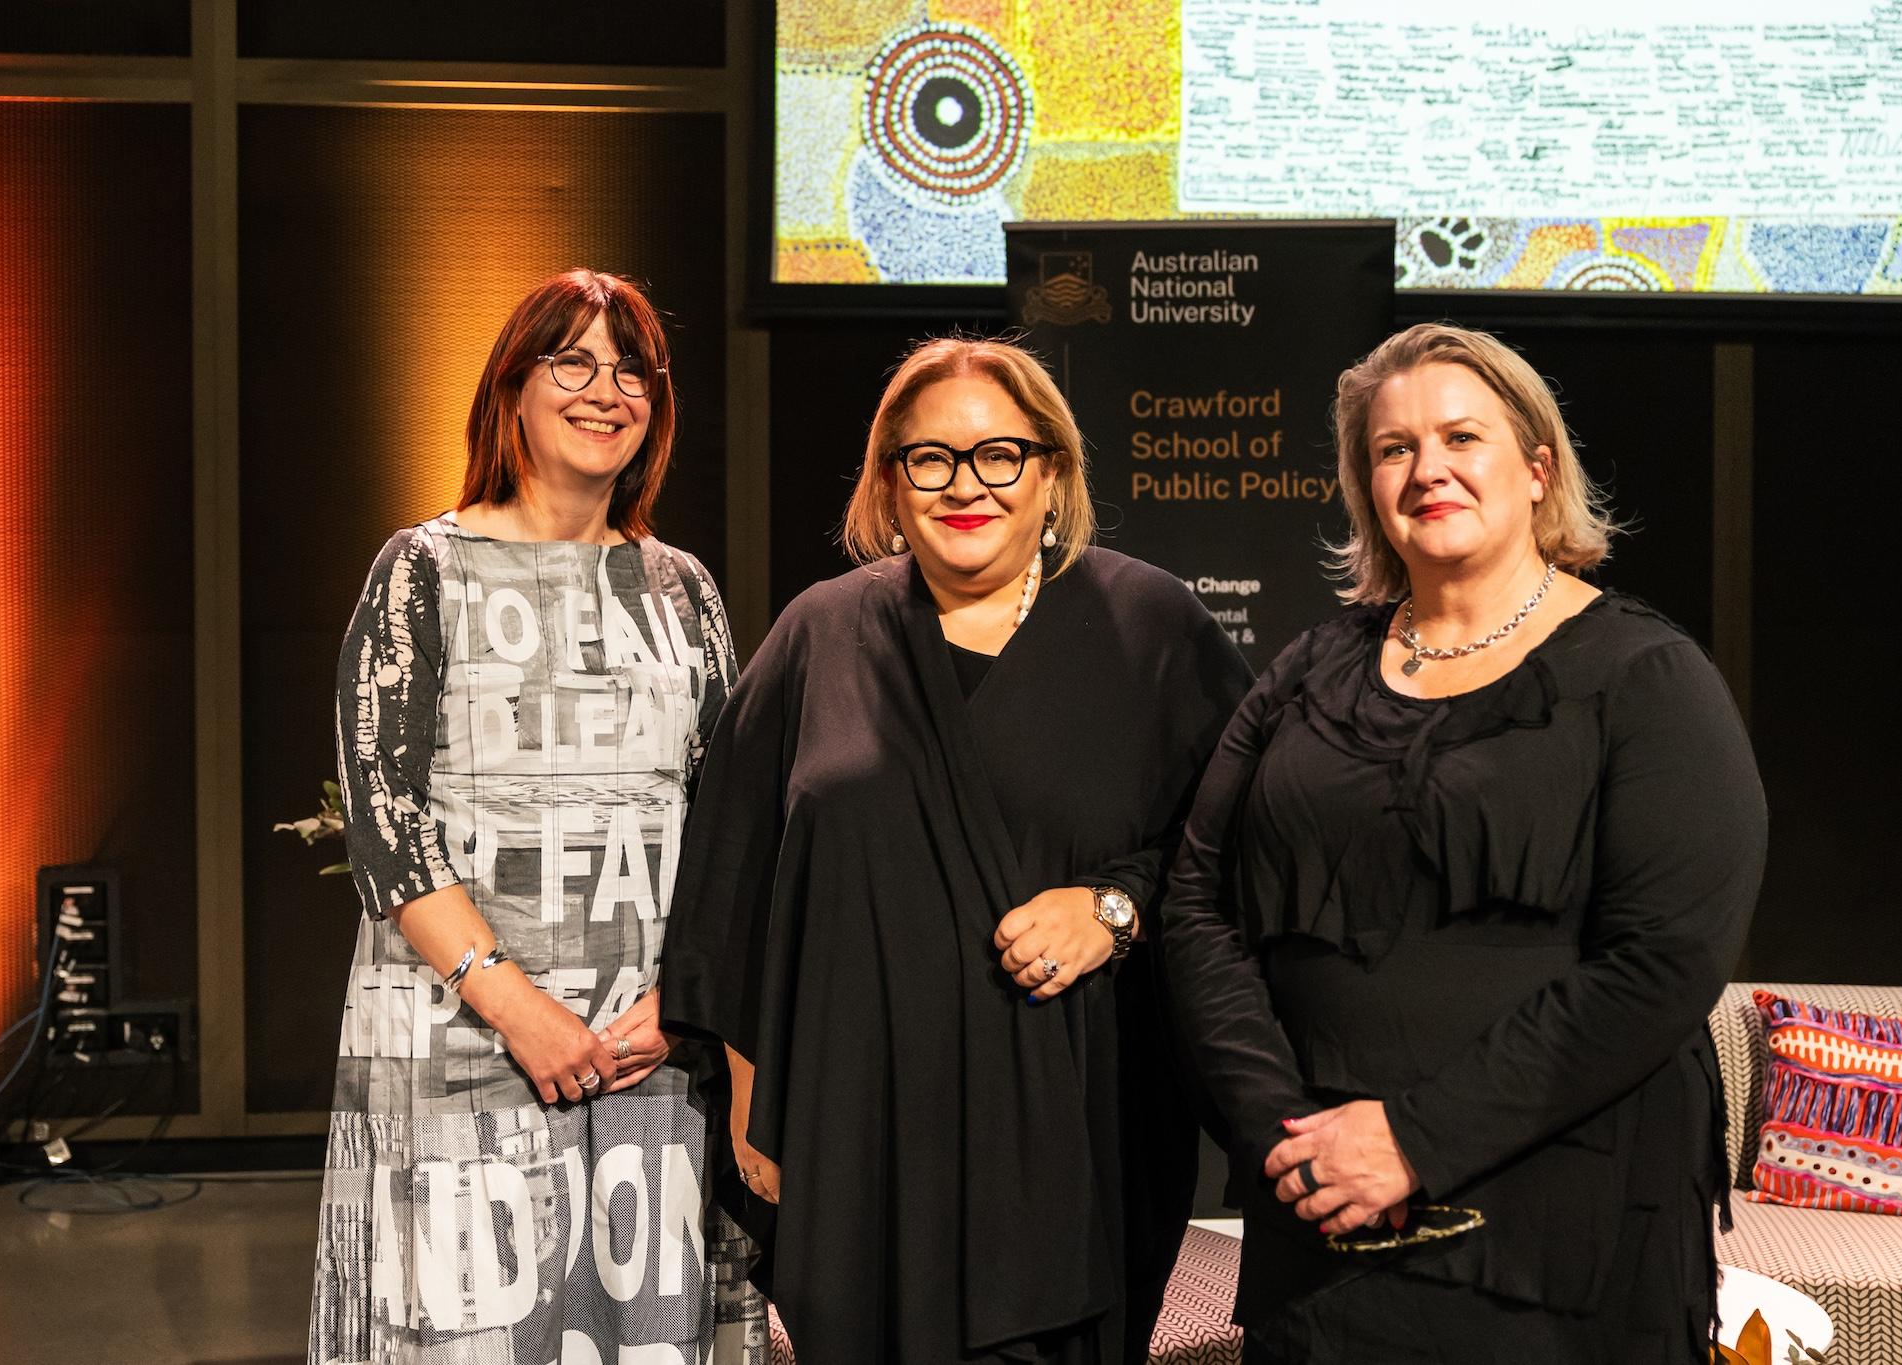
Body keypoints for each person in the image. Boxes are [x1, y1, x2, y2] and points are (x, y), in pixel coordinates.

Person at [1161, 322, 1766, 1362]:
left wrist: (1409, 1141)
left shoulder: (1645, 679)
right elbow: (1195, 901)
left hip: (1554, 1238)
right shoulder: (1306, 671)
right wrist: (1285, 1141)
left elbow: (1663, 961)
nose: (1425, 468)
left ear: (1535, 469)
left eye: (1460, 438)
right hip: (1321, 1220)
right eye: (1391, 448)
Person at [658, 337, 1254, 1364]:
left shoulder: (1150, 628)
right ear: (888, 482)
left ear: (1053, 471)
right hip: (864, 1133)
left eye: (997, 456)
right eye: (926, 458)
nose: (962, 486)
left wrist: (1112, 910)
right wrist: (755, 1093)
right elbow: (731, 876)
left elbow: (1235, 851)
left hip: (1079, 1129)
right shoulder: (818, 636)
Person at [309, 269, 764, 1365]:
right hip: (457, 1038)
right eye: (573, 360)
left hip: (644, 1047)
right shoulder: (420, 570)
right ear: (510, 387)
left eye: (632, 369)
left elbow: (728, 820)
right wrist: (517, 1011)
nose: (606, 389)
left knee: (639, 1333)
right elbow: (385, 823)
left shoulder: (683, 589)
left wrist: (681, 1003)